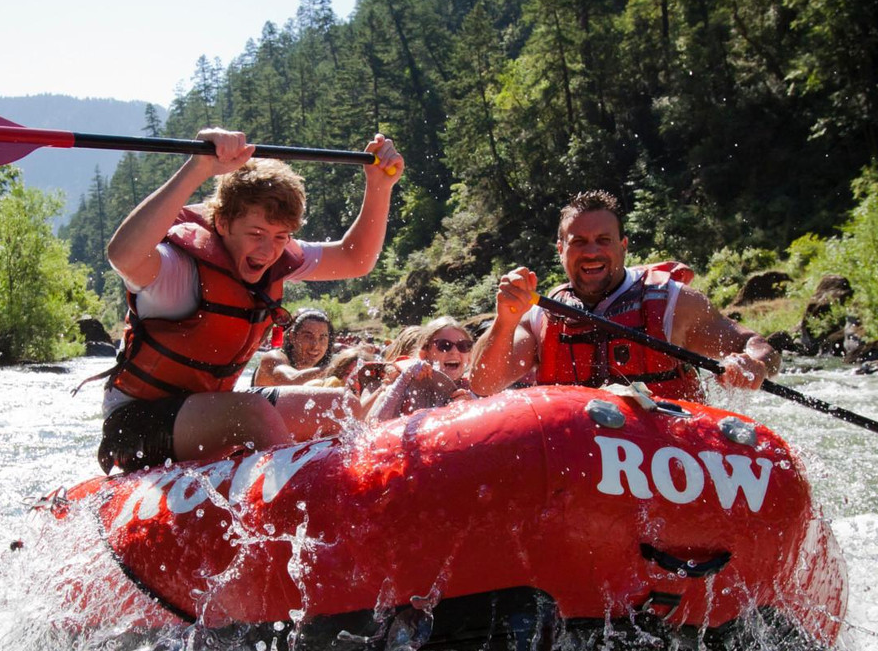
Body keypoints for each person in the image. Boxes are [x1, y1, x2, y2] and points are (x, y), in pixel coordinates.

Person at [97, 128, 403, 473]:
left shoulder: (277, 257)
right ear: (223, 223)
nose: (269, 250)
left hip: (208, 408)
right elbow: (123, 254)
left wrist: (379, 186)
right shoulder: (178, 270)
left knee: (339, 405)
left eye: (280, 237)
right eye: (256, 234)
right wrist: (197, 168)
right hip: (132, 426)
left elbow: (355, 258)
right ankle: (300, 501)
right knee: (253, 414)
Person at [470, 190, 780, 401]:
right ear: (561, 250)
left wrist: (754, 363)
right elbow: (484, 384)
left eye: (603, 240)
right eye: (579, 242)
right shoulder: (541, 314)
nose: (591, 252)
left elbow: (755, 344)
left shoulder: (673, 303)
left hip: (669, 454)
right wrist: (505, 321)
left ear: (624, 245)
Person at [252, 308, 334, 386]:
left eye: (322, 338)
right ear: (292, 337)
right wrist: (337, 368)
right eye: (308, 336)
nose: (315, 345)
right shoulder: (272, 358)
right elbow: (291, 380)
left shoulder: (327, 374)